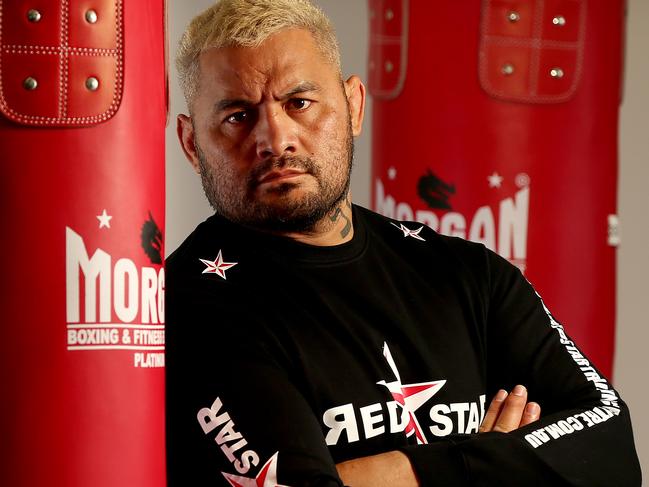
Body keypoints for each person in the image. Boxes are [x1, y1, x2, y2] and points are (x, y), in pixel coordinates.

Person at [166, 1, 642, 485]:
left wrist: (409, 471)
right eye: (237, 116)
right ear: (191, 144)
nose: (275, 137)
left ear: (353, 106)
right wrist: (499, 464)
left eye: (299, 102)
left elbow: (612, 450)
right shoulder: (188, 304)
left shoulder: (469, 273)